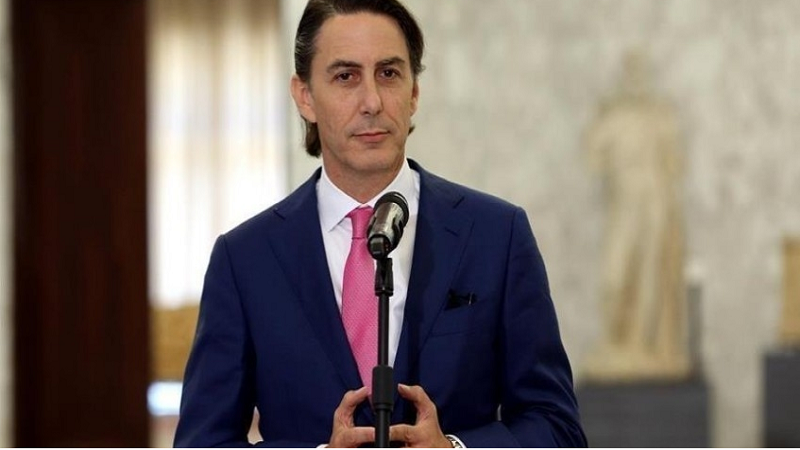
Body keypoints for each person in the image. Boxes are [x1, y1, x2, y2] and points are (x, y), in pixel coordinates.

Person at [174, 0, 586, 447]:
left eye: (388, 73)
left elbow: (557, 428)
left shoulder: (497, 236)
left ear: (414, 93)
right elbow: (201, 442)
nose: (372, 102)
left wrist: (454, 449)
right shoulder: (244, 260)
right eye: (346, 77)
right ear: (305, 96)